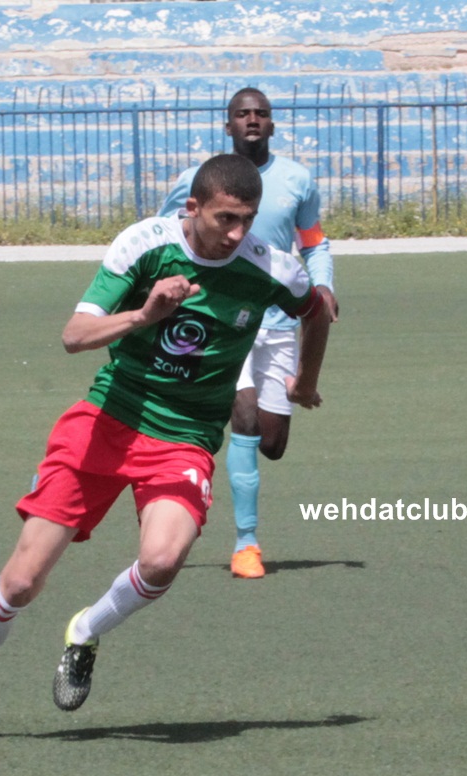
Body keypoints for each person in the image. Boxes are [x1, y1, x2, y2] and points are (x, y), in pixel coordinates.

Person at [0, 153, 331, 742]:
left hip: (184, 436)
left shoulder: (270, 267)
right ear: (193, 208)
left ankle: (86, 629)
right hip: (107, 420)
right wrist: (145, 314)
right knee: (22, 582)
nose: (237, 234)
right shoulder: (144, 245)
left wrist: (304, 382)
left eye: (248, 220)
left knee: (161, 562)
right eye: (225, 219)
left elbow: (318, 311)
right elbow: (74, 336)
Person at [159, 87, 337, 579]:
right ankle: (246, 545)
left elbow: (313, 242)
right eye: (243, 114)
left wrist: (323, 284)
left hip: (277, 322)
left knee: (271, 442)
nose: (252, 120)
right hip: (222, 320)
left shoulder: (297, 180)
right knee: (244, 417)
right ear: (228, 125)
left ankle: (206, 422)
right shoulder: (198, 181)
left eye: (261, 113)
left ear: (272, 125)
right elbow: (163, 234)